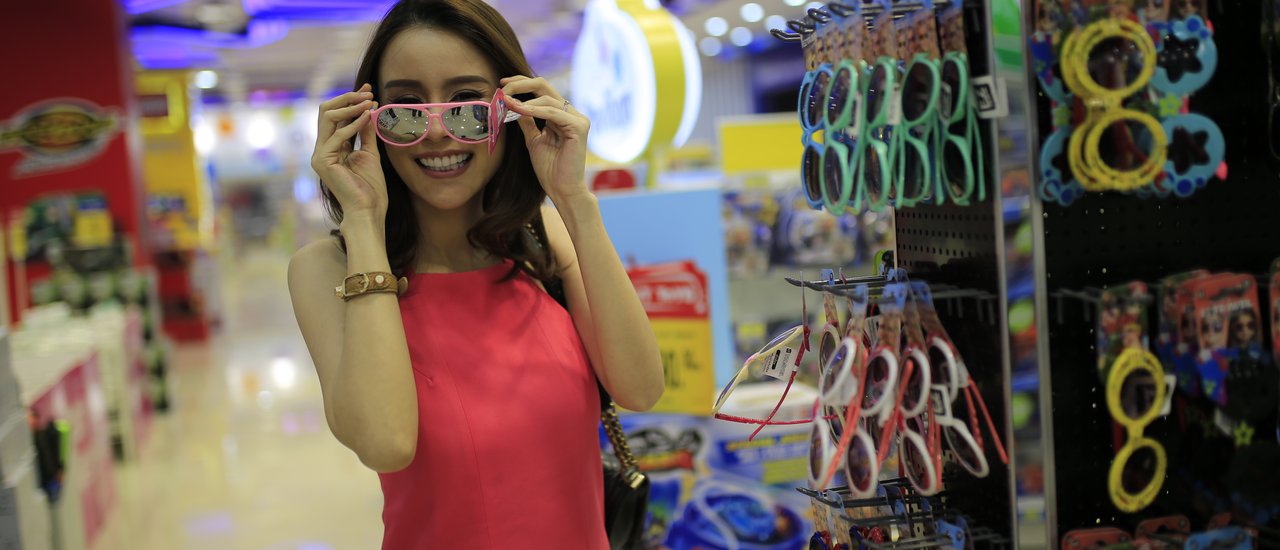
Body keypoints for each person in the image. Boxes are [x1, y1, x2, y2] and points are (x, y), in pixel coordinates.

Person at [286, 0, 665, 547]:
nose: (438, 133)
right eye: (407, 109)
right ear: (370, 122)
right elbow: (386, 443)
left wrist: (574, 199)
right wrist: (364, 220)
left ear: (511, 110)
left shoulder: (543, 238)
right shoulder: (328, 268)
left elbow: (641, 388)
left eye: (466, 105)